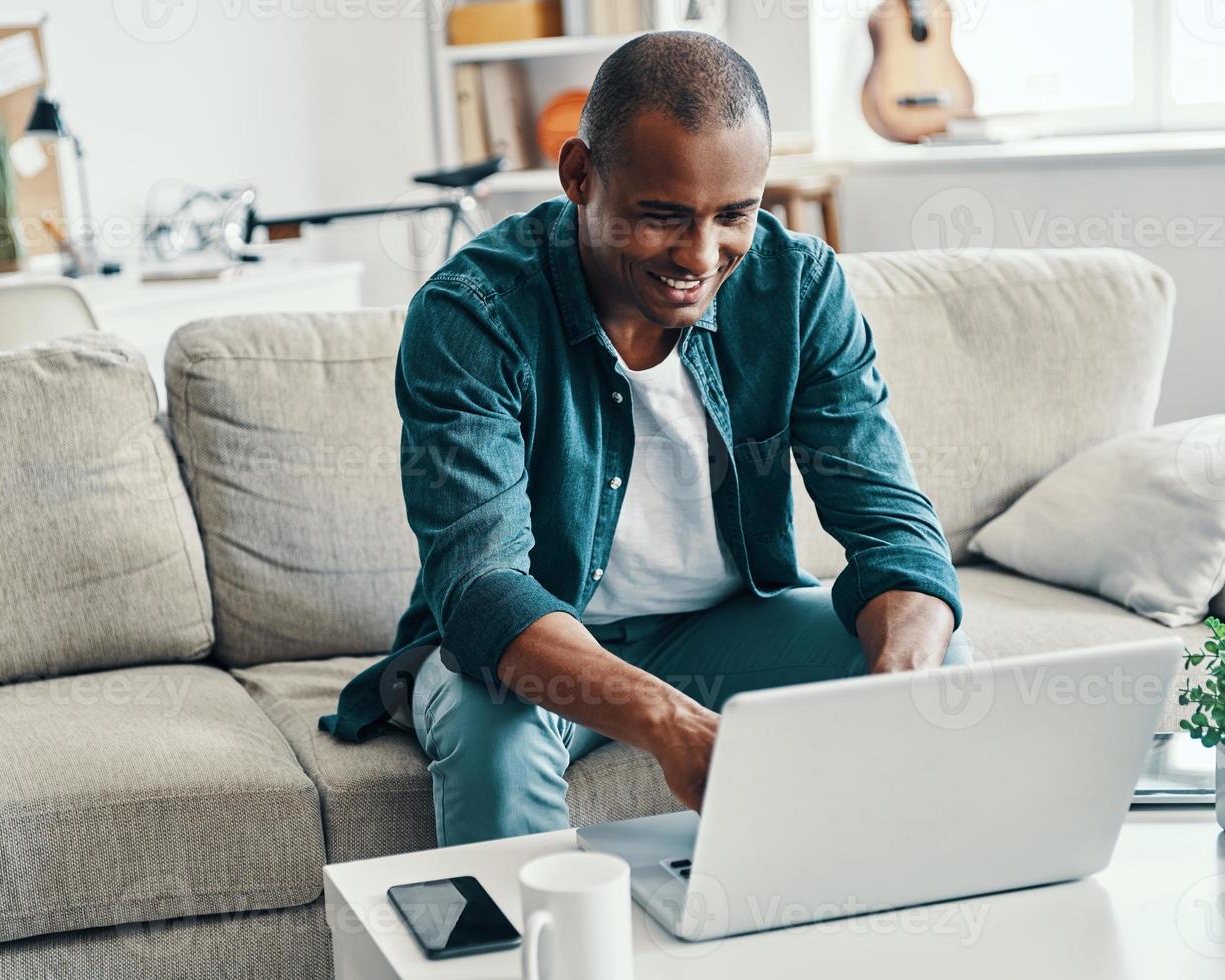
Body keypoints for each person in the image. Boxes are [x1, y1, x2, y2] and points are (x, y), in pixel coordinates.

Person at [320, 31, 971, 846]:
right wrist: (667, 719)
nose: (701, 256)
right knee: (500, 745)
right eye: (661, 217)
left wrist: (899, 685)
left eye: (734, 215)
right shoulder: (472, 315)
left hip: (730, 623)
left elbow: (894, 530)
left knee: (939, 666)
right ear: (579, 176)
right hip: (533, 642)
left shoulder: (799, 290)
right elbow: (483, 591)